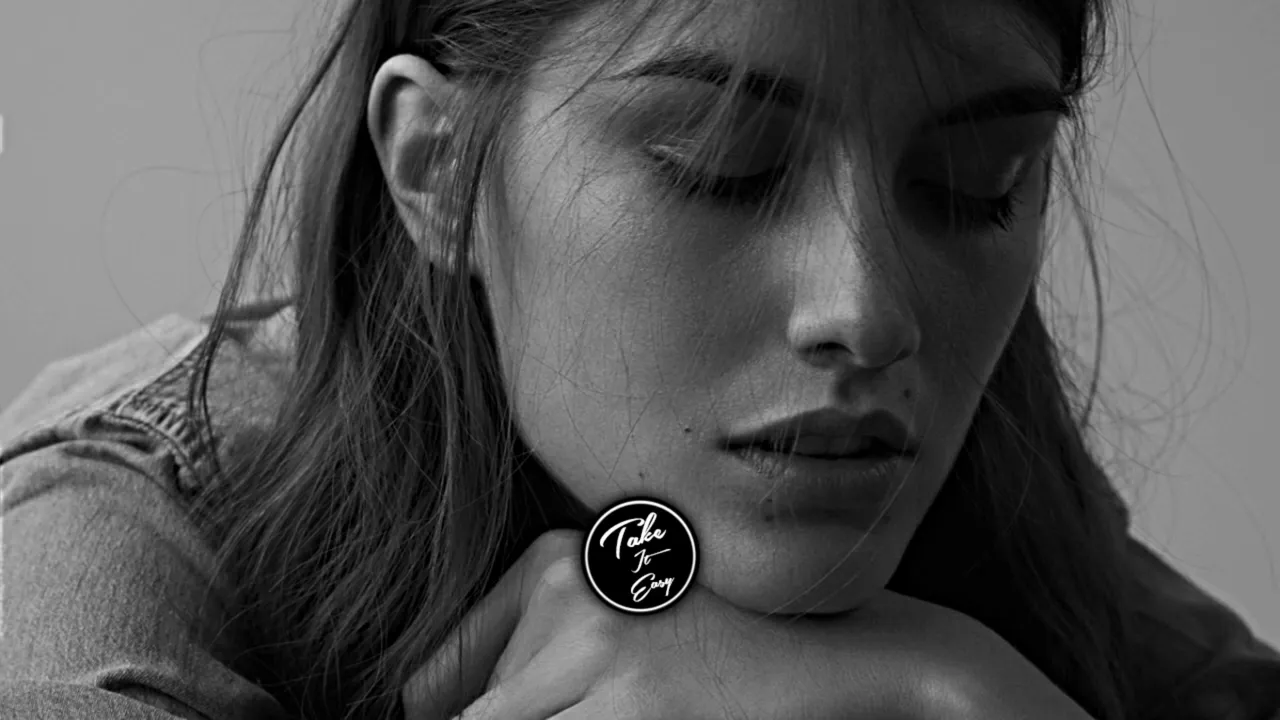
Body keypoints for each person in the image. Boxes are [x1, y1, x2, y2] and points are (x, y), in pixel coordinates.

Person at [2, 0, 1279, 718]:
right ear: (438, 170)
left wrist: (957, 696)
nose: (867, 311)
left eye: (974, 184)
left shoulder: (1010, 499)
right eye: (717, 165)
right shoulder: (120, 523)